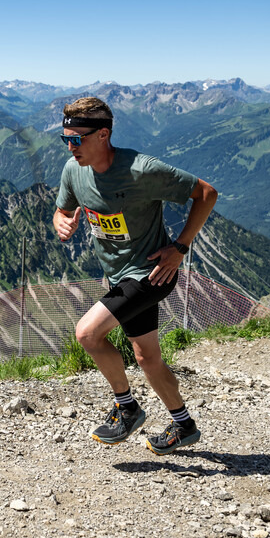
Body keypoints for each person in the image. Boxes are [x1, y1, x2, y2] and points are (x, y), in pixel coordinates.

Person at [53, 96, 218, 456]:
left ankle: (126, 408)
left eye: (77, 139)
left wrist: (181, 247)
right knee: (147, 358)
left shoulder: (142, 170)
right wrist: (62, 221)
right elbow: (61, 209)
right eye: (65, 138)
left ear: (103, 135)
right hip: (118, 275)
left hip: (152, 273)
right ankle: (184, 425)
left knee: (88, 334)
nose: (70, 146)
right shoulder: (73, 170)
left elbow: (206, 194)